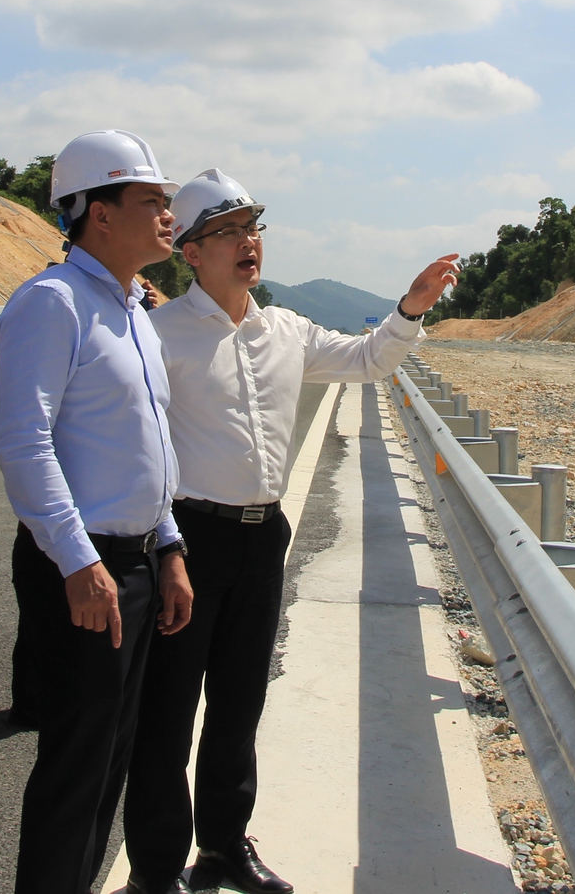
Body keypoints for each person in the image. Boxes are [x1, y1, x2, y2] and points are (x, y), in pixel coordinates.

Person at [124, 169, 458, 894]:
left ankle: (221, 845)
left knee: (240, 702)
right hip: (188, 538)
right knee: (169, 711)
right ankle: (154, 868)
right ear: (190, 251)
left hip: (261, 535)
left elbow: (368, 360)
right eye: (227, 232)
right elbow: (139, 453)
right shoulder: (158, 335)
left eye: (252, 228)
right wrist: (163, 545)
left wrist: (409, 309)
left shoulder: (284, 330)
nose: (248, 243)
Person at [0, 129, 195, 894]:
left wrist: (168, 546)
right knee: (75, 766)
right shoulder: (53, 303)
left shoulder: (137, 308)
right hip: (81, 564)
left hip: (135, 560)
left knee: (112, 755)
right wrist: (79, 559)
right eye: (151, 200)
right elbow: (21, 439)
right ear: (97, 213)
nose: (167, 214)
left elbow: (148, 445)